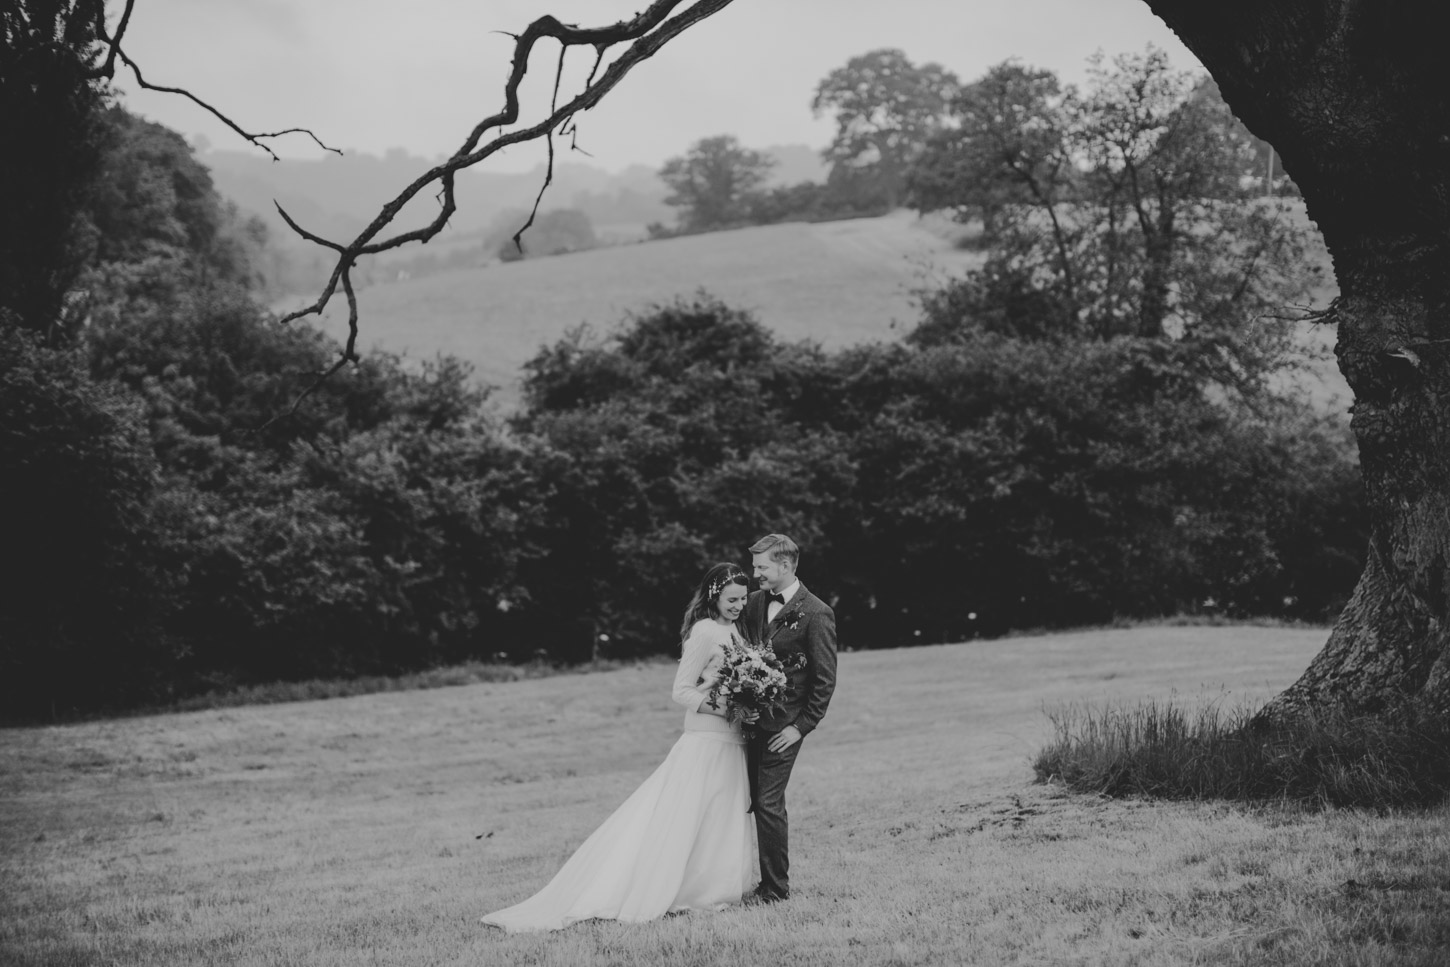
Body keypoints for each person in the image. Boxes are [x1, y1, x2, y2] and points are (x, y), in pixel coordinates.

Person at [481, 563, 760, 932]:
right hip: (706, 737)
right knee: (690, 815)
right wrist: (723, 707)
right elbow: (681, 690)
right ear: (714, 596)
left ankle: (714, 887)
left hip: (732, 738)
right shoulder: (704, 632)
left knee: (721, 813)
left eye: (742, 599)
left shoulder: (735, 631)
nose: (739, 605)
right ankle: (679, 889)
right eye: (732, 599)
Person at [742, 533, 838, 904]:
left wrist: (798, 729)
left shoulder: (816, 612)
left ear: (784, 566)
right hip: (747, 723)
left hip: (784, 729)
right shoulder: (750, 604)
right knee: (747, 800)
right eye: (755, 567)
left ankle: (775, 889)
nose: (756, 574)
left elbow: (824, 681)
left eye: (761, 567)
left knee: (767, 801)